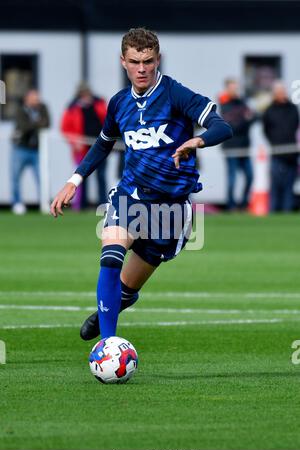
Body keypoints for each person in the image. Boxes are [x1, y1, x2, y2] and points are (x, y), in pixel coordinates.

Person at [50, 28, 232, 341]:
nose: (142, 68)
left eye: (148, 61)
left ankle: (113, 305)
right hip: (131, 196)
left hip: (169, 209)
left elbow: (222, 126)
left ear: (157, 59)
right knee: (110, 257)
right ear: (123, 61)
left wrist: (198, 140)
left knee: (126, 289)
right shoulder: (119, 103)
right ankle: (109, 344)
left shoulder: (175, 94)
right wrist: (74, 180)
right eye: (135, 61)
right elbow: (104, 143)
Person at [61, 82, 107, 209]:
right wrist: (74, 142)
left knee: (101, 176)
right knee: (82, 176)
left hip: (101, 146)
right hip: (82, 149)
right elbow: (65, 128)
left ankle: (103, 203)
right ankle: (82, 204)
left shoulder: (99, 103)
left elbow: (108, 121)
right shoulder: (72, 108)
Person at [11, 89, 50, 214]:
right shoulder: (20, 110)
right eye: (34, 98)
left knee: (42, 177)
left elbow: (47, 123)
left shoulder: (42, 108)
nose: (37, 100)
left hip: (36, 150)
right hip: (21, 148)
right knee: (15, 177)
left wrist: (33, 124)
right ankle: (17, 203)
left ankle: (44, 203)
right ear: (27, 99)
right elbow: (24, 126)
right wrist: (37, 123)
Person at [262, 81, 299, 212]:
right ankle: (273, 212)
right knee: (276, 185)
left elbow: (295, 126)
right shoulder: (270, 110)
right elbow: (266, 129)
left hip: (292, 153)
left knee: (289, 186)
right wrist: (274, 142)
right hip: (276, 152)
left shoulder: (292, 108)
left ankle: (286, 212)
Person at [219, 78, 255, 211]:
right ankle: (231, 205)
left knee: (250, 176)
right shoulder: (224, 103)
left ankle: (244, 203)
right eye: (233, 87)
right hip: (231, 146)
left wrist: (246, 118)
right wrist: (245, 118)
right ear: (227, 88)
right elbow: (233, 123)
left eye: (236, 87)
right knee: (232, 178)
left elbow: (252, 117)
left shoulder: (243, 102)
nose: (235, 90)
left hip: (244, 146)